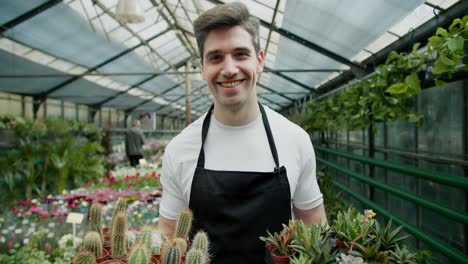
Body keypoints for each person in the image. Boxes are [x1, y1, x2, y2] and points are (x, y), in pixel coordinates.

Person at [159, 2, 327, 263]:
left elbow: (317, 231)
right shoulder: (180, 149)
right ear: (202, 67)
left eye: (240, 54)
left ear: (259, 61)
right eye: (216, 57)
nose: (229, 69)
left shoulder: (294, 140)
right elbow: (168, 241)